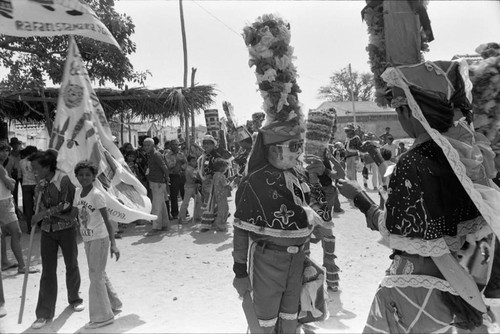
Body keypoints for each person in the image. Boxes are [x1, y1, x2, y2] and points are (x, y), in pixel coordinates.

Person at [337, 60, 495, 332]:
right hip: (464, 291)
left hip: (416, 292)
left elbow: (397, 231)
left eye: (399, 110)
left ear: (409, 111)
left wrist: (359, 199)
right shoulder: (466, 155)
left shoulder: (415, 162)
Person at [232, 119, 330, 333]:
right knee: (264, 322)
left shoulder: (300, 176)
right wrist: (239, 271)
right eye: (294, 147)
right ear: (274, 149)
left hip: (297, 261)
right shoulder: (253, 181)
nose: (298, 153)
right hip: (267, 262)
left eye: (300, 146)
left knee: (290, 318)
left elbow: (321, 212)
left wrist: (324, 179)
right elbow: (240, 229)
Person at [30, 150, 84, 330]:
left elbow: (66, 204)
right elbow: (41, 202)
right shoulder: (41, 182)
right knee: (47, 271)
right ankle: (44, 313)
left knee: (71, 264)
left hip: (66, 228)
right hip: (47, 229)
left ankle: (75, 298)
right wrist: (37, 193)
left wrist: (42, 214)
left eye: (36, 168)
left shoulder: (64, 180)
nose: (33, 172)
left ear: (47, 167)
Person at [69, 161, 122, 329]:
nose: (84, 178)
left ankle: (102, 317)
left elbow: (108, 220)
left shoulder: (97, 194)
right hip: (87, 239)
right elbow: (73, 214)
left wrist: (114, 244)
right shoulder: (77, 193)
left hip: (100, 238)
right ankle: (114, 304)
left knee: (95, 275)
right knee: (99, 273)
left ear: (93, 177)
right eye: (81, 175)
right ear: (76, 177)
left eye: (88, 175)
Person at [0, 141, 38, 274]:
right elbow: (11, 185)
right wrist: (11, 181)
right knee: (16, 232)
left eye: (6, 151)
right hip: (3, 202)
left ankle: (4, 261)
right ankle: (22, 266)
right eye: (2, 151)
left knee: (3, 234)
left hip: (5, 200)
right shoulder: (0, 168)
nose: (5, 154)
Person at [143, 137, 170, 236]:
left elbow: (164, 167)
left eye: (148, 145)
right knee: (161, 204)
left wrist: (167, 178)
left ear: (153, 146)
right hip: (155, 182)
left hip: (158, 183)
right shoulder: (151, 155)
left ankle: (156, 227)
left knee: (156, 206)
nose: (146, 147)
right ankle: (164, 225)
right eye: (144, 145)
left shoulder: (156, 155)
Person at [164, 139, 187, 220]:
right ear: (170, 146)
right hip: (173, 176)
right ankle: (174, 213)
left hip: (181, 175)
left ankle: (185, 211)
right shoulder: (167, 155)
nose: (175, 146)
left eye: (176, 144)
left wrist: (181, 167)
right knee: (174, 195)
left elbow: (186, 163)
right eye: (173, 144)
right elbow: (169, 165)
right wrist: (177, 160)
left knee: (184, 194)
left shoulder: (181, 154)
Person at [19, 145, 38, 234]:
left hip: (25, 185)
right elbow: (36, 174)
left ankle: (29, 228)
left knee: (28, 207)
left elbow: (20, 175)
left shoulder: (21, 162)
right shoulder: (34, 162)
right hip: (35, 184)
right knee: (39, 204)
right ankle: (39, 224)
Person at [178, 156, 202, 224]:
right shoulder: (189, 169)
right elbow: (194, 178)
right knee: (185, 203)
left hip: (193, 187)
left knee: (199, 201)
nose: (194, 162)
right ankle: (181, 218)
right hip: (189, 188)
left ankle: (197, 215)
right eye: (193, 161)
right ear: (189, 162)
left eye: (195, 161)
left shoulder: (192, 168)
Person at [212, 160, 231, 232]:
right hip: (222, 195)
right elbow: (225, 185)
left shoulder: (215, 174)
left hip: (218, 195)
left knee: (221, 209)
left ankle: (219, 223)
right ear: (221, 168)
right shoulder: (221, 176)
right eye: (225, 168)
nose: (226, 170)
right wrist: (232, 183)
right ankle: (220, 225)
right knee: (224, 210)